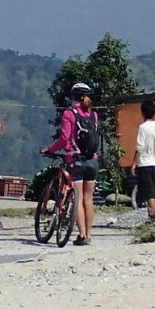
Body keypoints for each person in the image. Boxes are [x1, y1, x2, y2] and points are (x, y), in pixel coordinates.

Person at [48, 82, 101, 245]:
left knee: (76, 198)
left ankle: (82, 234)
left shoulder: (69, 114)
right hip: (92, 161)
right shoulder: (94, 115)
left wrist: (51, 149)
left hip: (75, 160)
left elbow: (64, 138)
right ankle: (89, 235)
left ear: (73, 96)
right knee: (88, 198)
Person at [133, 99, 155, 222]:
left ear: (142, 113)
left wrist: (134, 163)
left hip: (145, 164)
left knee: (149, 193)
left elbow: (140, 147)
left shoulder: (143, 127)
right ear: (154, 112)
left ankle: (152, 217)